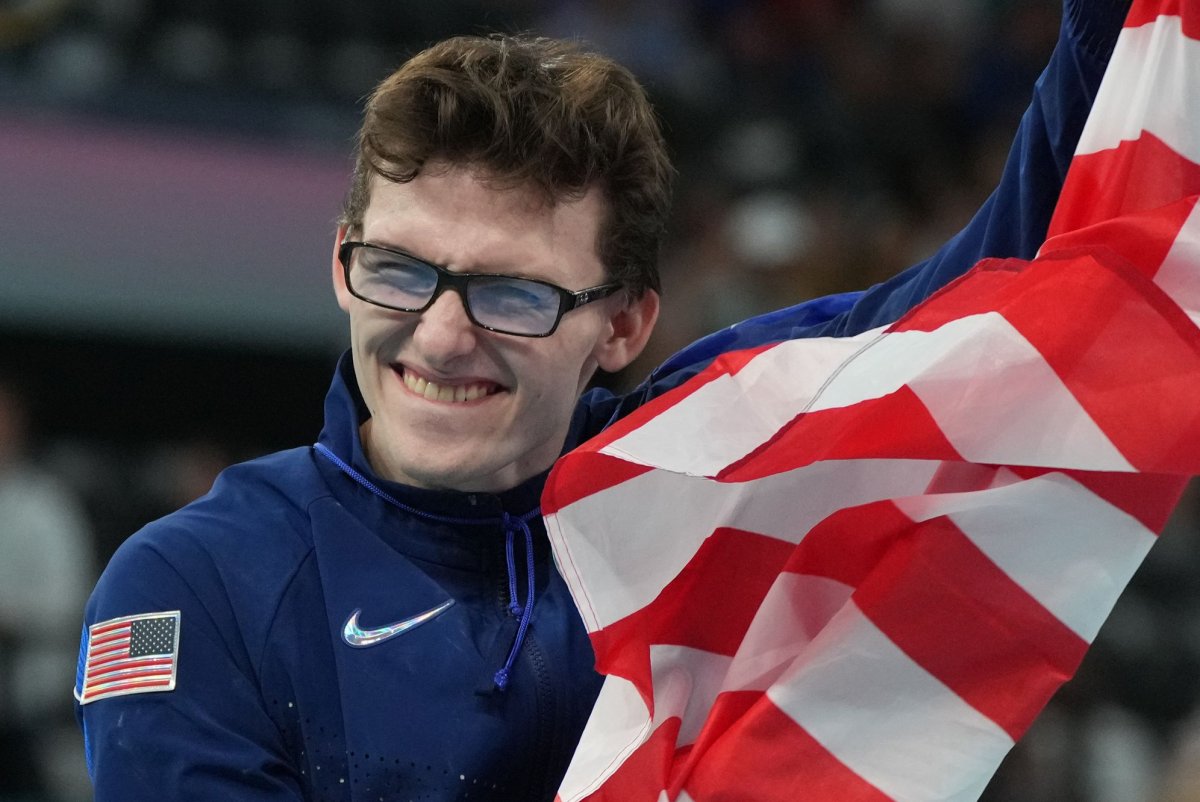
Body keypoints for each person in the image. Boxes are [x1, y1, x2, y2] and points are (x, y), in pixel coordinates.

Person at [75, 1, 1131, 799]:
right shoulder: (198, 586)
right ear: (340, 259)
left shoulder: (711, 471)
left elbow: (1012, 282)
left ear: (622, 324)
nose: (441, 334)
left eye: (512, 293)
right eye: (398, 269)